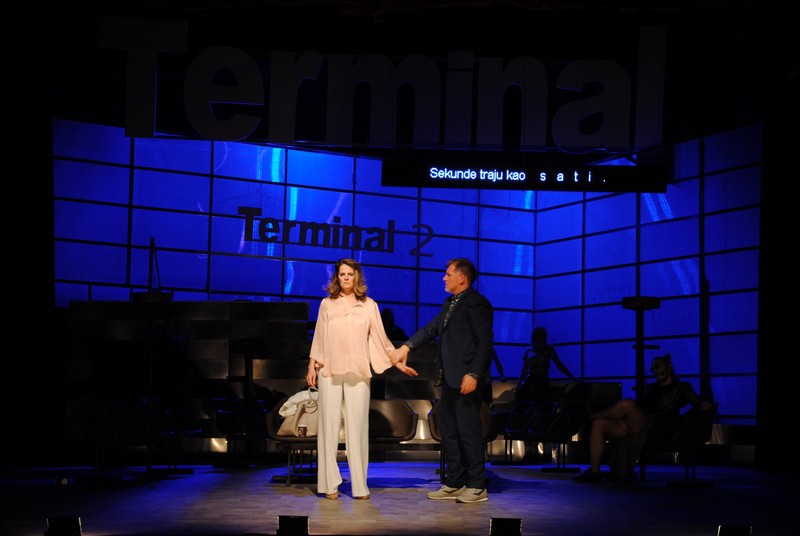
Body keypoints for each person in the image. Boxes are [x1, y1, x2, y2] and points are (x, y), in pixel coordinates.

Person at [306, 258, 417, 500]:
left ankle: (359, 486)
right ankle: (329, 484)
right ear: (337, 277)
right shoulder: (327, 304)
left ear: (357, 276)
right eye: (342, 274)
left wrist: (397, 362)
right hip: (329, 369)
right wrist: (311, 366)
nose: (346, 278)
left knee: (357, 428)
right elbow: (319, 338)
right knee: (328, 427)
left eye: (350, 274)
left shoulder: (369, 305)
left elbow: (381, 339)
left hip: (357, 371)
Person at [390, 258, 494, 503]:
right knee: (449, 431)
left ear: (462, 278)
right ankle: (455, 482)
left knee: (468, 431)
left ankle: (477, 485)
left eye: (448, 274)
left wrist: (474, 373)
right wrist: (406, 347)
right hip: (449, 379)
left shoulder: (477, 303)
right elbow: (431, 329)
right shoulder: (450, 303)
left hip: (467, 378)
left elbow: (485, 342)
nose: (443, 278)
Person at [574, 353, 714, 482]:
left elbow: (695, 399)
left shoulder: (681, 387)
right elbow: (638, 405)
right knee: (599, 423)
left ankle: (589, 417)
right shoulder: (650, 388)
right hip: (638, 422)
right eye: (653, 368)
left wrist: (703, 403)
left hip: (657, 423)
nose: (655, 371)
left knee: (626, 403)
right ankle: (595, 471)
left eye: (658, 366)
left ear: (669, 367)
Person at [516, 326, 578, 403]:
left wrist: (572, 378)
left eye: (541, 335)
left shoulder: (548, 348)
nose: (539, 337)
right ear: (534, 336)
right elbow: (524, 370)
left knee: (541, 402)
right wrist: (519, 384)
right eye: (537, 335)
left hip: (542, 381)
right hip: (530, 381)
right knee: (528, 402)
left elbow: (559, 364)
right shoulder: (529, 350)